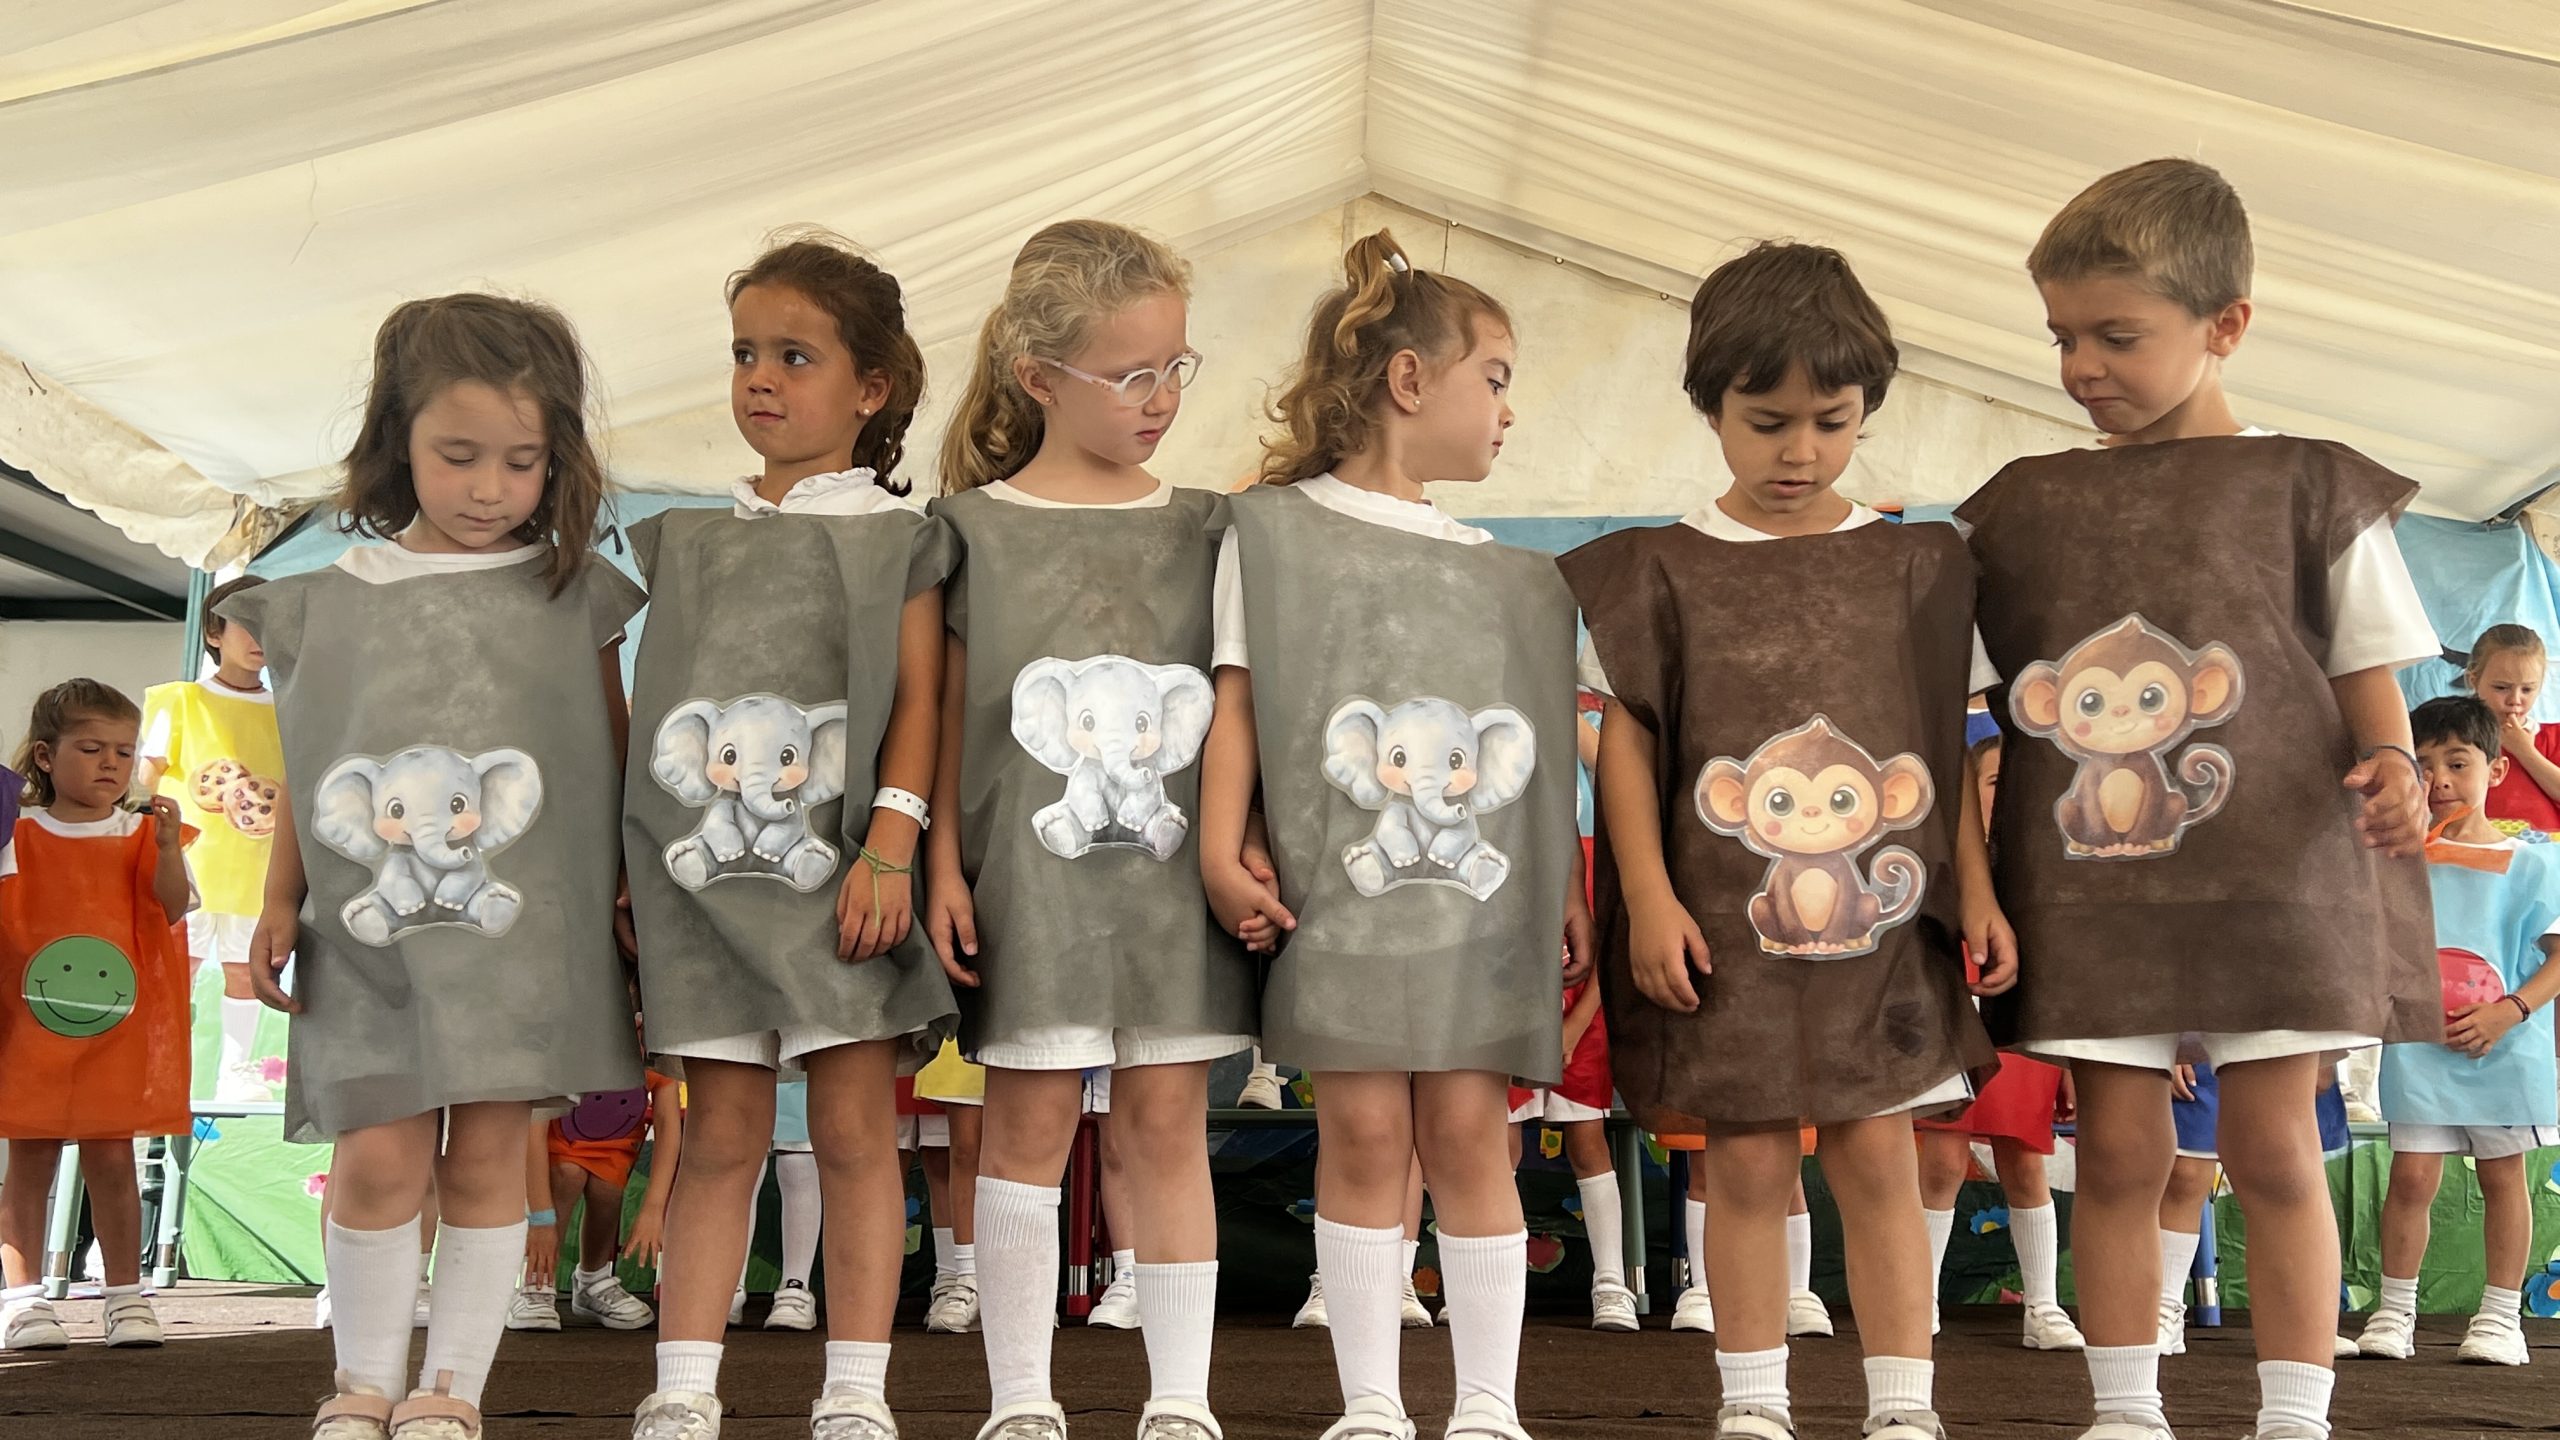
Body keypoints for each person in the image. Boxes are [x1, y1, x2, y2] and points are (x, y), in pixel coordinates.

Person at [1963, 158, 2439, 1440]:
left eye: (2116, 336)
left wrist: (2394, 766)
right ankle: (2125, 1412)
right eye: (2062, 336)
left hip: (2276, 876)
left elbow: (2367, 668)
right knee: (2118, 1153)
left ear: (2225, 324)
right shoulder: (2023, 508)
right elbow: (1968, 702)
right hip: (2093, 885)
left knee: (2275, 1149)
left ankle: (2295, 1416)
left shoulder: (2310, 484)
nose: (2080, 367)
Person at [1566, 240, 2005, 1440]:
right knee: (1748, 1163)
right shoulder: (1651, 571)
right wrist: (1648, 896)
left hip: (1887, 928)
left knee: (1877, 1155)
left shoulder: (1922, 567)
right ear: (1709, 405)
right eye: (1766, 423)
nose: (1798, 451)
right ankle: (1753, 1403)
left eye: (1831, 421)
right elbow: (1626, 746)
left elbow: (1949, 750)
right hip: (1719, 926)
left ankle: (1902, 1407)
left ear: (1868, 409)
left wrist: (1975, 890)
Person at [223, 292, 646, 1440]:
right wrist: (278, 897)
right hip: (368, 936)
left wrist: (627, 895)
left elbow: (607, 758)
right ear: (395, 438)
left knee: (490, 1156)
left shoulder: (573, 594)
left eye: (522, 461)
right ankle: (361, 1381)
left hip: (523, 934)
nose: (489, 488)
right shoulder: (321, 606)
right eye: (457, 456)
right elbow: (315, 765)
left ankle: (450, 1384)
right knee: (376, 1153)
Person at [1202, 228, 1589, 1440]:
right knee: (1364, 1128)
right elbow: (1235, 701)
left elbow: (1533, 756)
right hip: (1336, 901)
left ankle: (1486, 1405)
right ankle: (1370, 1399)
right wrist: (1220, 845)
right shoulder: (1265, 533)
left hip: (1477, 909)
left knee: (1468, 1129)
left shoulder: (1510, 577)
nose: (1509, 409)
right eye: (1496, 377)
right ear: (1409, 380)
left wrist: (1564, 889)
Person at [623, 231, 959, 1440]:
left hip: (844, 881)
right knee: (717, 1133)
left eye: (794, 357)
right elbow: (658, 715)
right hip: (702, 879)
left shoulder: (899, 537)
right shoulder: (689, 538)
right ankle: (682, 1386)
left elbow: (920, 700)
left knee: (855, 1132)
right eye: (744, 354)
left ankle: (856, 1389)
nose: (760, 378)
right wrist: (634, 869)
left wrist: (889, 846)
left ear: (871, 388)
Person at [927, 218, 1255, 1440]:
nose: (1161, 396)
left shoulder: (1215, 526)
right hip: (1027, 884)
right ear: (1038, 378)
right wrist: (939, 863)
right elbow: (942, 718)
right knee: (1025, 1126)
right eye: (1130, 375)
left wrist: (1237, 847)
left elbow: (1237, 712)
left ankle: (1180, 1399)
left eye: (1175, 367)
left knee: (1167, 1126)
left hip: (1174, 891)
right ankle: (1021, 1398)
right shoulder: (966, 528)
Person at [2352, 696, 2560, 1367]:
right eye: (2422, 765)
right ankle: (2394, 1311)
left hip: (2507, 1049)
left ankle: (2500, 1319)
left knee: (2503, 1177)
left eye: (2457, 762)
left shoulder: (2535, 862)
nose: (2439, 779)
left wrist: (2510, 1012)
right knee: (2411, 1178)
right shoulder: (2396, 862)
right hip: (2420, 1050)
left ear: (2496, 770)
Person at [0, 679, 192, 1352]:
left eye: (124, 751)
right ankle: (22, 1303)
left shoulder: (141, 831)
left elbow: (173, 908)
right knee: (31, 1159)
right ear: (45, 756)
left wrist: (168, 846)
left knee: (113, 1158)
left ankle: (125, 1297)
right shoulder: (15, 831)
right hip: (29, 1029)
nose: (111, 763)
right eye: (91, 749)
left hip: (117, 1031)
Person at [1915, 725, 2083, 1352]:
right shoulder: (1937, 864)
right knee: (1941, 1160)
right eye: (1990, 781)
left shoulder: (2041, 867)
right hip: (1950, 1023)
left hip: (2020, 1024)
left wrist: (2067, 1058)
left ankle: (2043, 1305)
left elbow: (2062, 967)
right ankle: (1918, 1304)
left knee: (2024, 1160)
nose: (2003, 791)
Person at [141, 573, 284, 1102]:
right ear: (214, 634)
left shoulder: (290, 709)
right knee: (178, 966)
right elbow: (148, 774)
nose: (258, 636)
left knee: (245, 970)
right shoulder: (181, 701)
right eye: (245, 623)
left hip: (258, 866)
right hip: (190, 864)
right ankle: (157, 1068)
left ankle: (236, 1073)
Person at [512, 1031, 683, 1333]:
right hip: (555, 1143)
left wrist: (653, 1209)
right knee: (569, 1173)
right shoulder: (564, 1037)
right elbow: (533, 1128)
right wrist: (541, 1220)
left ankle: (593, 1279)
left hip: (614, 1145)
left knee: (606, 1187)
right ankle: (536, 1282)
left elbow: (668, 1125)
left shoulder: (654, 1042)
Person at [2459, 626, 2560, 834]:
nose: (2515, 700)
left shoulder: (2553, 737)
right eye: (2501, 688)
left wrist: (2525, 751)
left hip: (2546, 848)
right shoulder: (2454, 737)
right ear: (2474, 680)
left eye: (2527, 689)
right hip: (2475, 845)